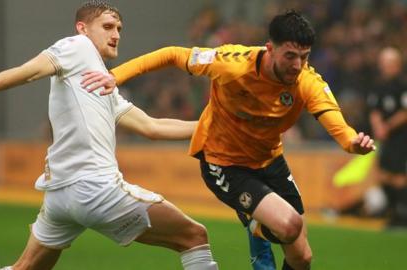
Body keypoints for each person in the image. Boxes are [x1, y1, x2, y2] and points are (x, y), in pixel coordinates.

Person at [0, 2, 219, 270]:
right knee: (194, 235)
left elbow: (152, 127)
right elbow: (28, 72)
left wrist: (215, 126)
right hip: (94, 189)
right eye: (107, 27)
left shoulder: (102, 81)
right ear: (82, 28)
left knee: (25, 267)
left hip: (60, 196)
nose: (116, 34)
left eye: (119, 28)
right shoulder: (77, 47)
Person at [82, 10, 376, 270]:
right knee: (289, 224)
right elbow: (172, 54)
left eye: (304, 57)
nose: (297, 65)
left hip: (269, 161)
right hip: (224, 163)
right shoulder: (232, 63)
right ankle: (257, 224)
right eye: (290, 56)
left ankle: (261, 224)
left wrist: (352, 142)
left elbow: (335, 122)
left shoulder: (306, 81)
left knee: (302, 257)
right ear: (270, 49)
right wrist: (116, 76)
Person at [366, 46, 407, 227]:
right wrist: (379, 128)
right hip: (386, 138)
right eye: (382, 63)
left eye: (388, 63)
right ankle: (393, 212)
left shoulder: (402, 85)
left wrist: (387, 126)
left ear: (397, 65)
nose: (384, 67)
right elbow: (374, 110)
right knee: (384, 174)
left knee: (399, 176)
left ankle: (402, 214)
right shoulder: (378, 86)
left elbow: (405, 112)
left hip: (401, 138)